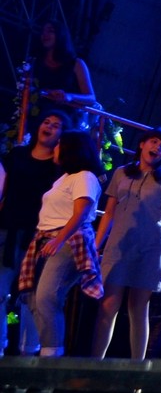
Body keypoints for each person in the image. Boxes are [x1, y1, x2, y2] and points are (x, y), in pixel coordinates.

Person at [92, 127, 161, 359]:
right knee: (107, 306)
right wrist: (96, 245)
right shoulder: (122, 173)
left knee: (138, 308)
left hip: (149, 249)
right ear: (142, 144)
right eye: (154, 142)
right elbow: (108, 213)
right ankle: (95, 363)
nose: (157, 148)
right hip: (118, 246)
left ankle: (137, 367)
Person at [18, 129, 104, 357]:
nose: (55, 148)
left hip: (68, 240)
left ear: (70, 149)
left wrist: (59, 239)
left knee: (47, 296)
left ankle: (52, 356)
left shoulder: (85, 176)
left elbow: (81, 212)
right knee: (33, 296)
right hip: (48, 239)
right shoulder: (64, 178)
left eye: (59, 144)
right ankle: (38, 350)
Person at [0, 110, 68, 356]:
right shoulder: (18, 155)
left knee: (31, 296)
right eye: (46, 122)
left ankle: (29, 351)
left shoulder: (59, 166)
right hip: (8, 230)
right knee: (0, 290)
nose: (48, 126)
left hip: (38, 235)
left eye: (56, 125)